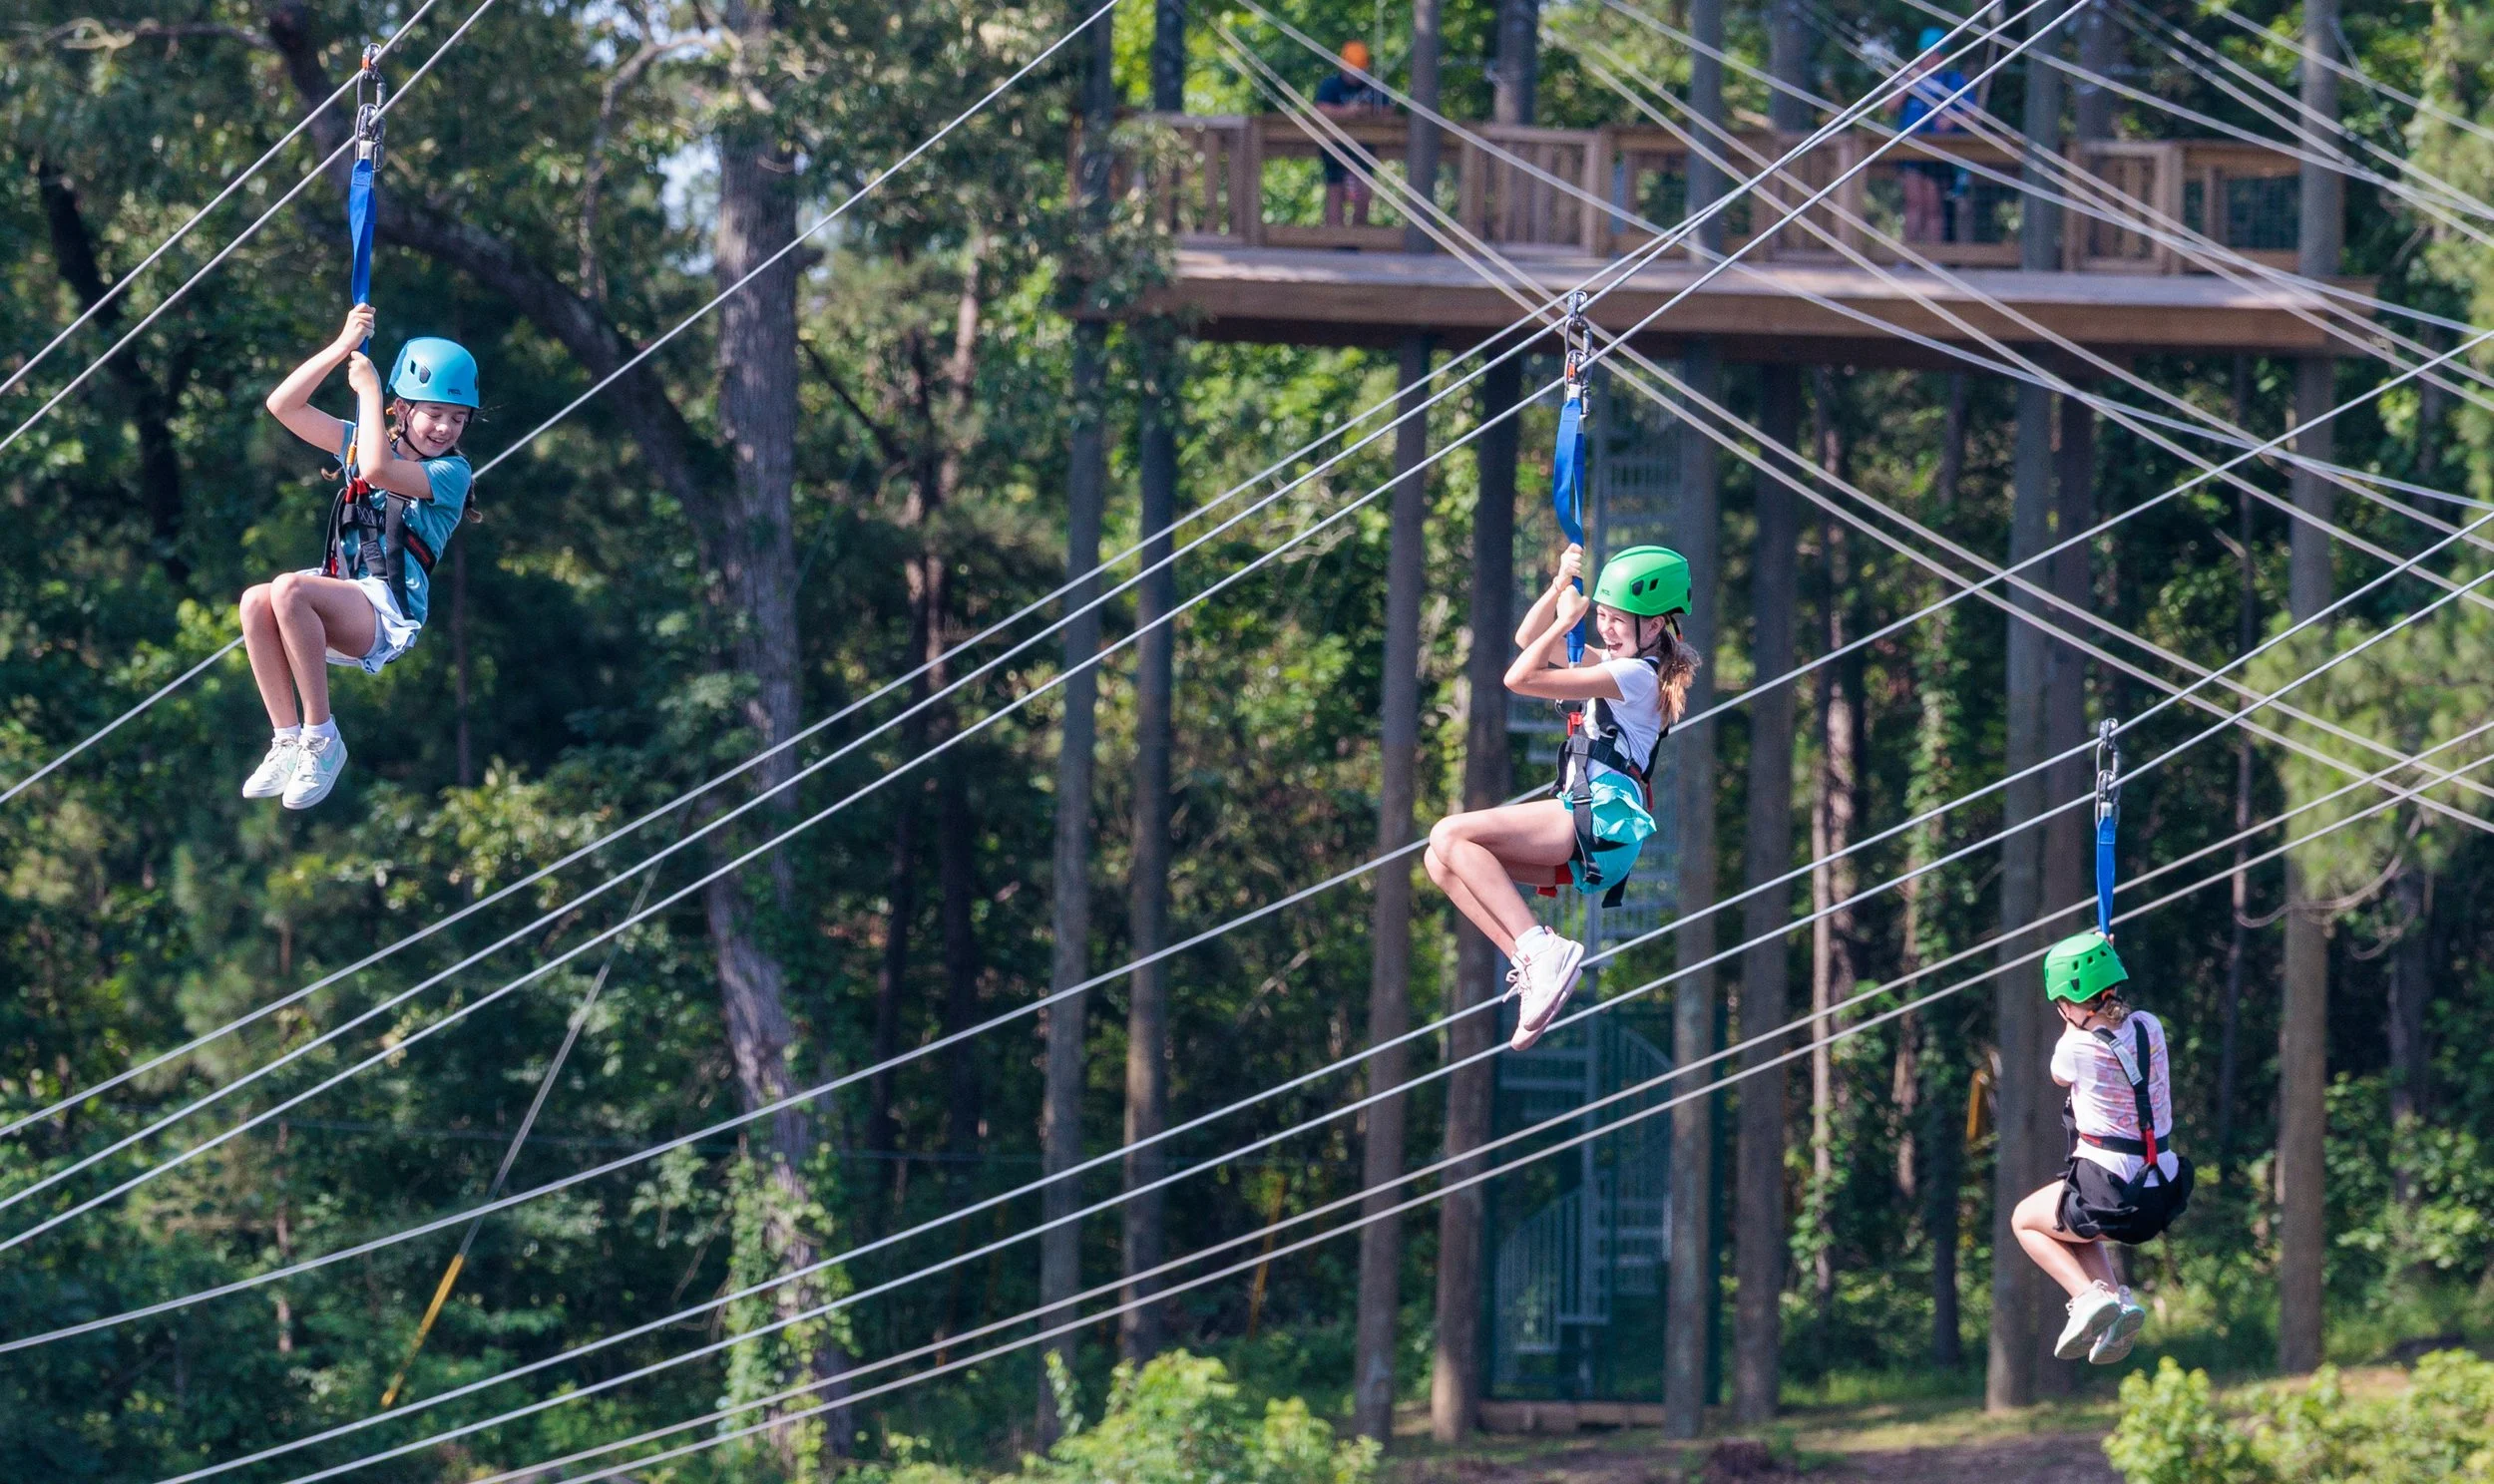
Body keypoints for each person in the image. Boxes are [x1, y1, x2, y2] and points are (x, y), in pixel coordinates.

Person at [1425, 545, 1698, 1051]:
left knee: (1449, 833)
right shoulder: (1622, 665)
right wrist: (1556, 594)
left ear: (1656, 626)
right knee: (1441, 861)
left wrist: (1564, 621)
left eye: (1619, 620)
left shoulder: (1635, 677)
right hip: (1595, 829)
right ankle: (1532, 965)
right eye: (1603, 616)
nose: (1606, 628)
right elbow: (1527, 641)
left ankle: (1539, 949)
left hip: (1596, 817)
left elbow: (1518, 678)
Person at [242, 304, 477, 808]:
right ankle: (287, 738)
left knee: (288, 587)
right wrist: (342, 346)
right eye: (434, 413)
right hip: (343, 594)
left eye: (457, 418)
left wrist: (369, 391)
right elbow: (283, 405)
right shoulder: (357, 441)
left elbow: (375, 467)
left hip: (386, 612)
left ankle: (322, 737)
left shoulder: (452, 475)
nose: (444, 428)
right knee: (254, 601)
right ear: (403, 411)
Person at [2010, 930, 2194, 1365]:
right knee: (2072, 1224)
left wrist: (2077, 1005)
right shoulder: (2150, 1026)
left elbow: (2065, 1064)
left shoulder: (2071, 1047)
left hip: (2111, 1192)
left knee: (2025, 1221)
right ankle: (2117, 1306)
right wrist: (2102, 957)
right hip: (2159, 1192)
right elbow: (2108, 1019)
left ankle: (2087, 1298)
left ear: (2067, 1004)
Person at [1893, 27, 1972, 242]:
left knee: (1933, 204)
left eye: (1934, 54)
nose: (1929, 59)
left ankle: (1934, 256)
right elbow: (1889, 107)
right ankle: (1907, 256)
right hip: (1911, 151)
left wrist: (1952, 119)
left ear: (1943, 56)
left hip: (1939, 151)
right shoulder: (1910, 77)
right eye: (1925, 54)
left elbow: (1970, 112)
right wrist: (1906, 86)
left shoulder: (1953, 80)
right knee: (1913, 203)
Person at [1314, 40, 1392, 229]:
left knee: (1363, 189)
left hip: (1364, 146)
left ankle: (1358, 233)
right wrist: (1347, 112)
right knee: (1335, 187)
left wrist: (1369, 111)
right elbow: (1320, 109)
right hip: (1335, 145)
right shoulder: (1331, 85)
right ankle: (1335, 236)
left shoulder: (1374, 88)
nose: (1356, 75)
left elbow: (1389, 112)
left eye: (1360, 70)